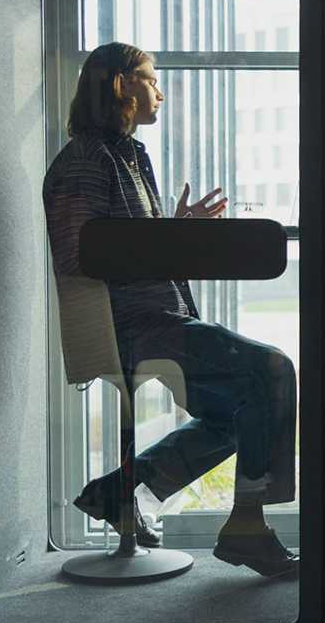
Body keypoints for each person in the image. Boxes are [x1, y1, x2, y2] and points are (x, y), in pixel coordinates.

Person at [43, 42, 298, 578]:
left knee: (241, 412)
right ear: (120, 85)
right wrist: (167, 237)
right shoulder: (84, 160)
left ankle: (116, 492)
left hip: (160, 318)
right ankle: (247, 526)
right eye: (151, 78)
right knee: (272, 368)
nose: (160, 90)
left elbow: (134, 244)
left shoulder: (131, 155)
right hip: (128, 326)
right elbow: (78, 254)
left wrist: (177, 231)